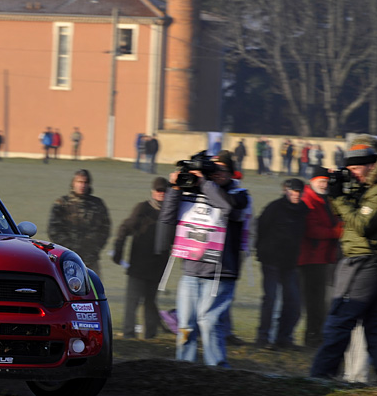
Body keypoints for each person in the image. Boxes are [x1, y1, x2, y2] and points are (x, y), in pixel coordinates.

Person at [160, 150, 251, 367]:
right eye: (214, 170)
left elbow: (227, 207)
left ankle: (217, 371)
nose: (217, 174)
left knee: (209, 322)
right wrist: (174, 188)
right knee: (186, 325)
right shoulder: (193, 190)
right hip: (191, 271)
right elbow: (167, 217)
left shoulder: (240, 194)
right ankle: (185, 368)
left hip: (221, 273)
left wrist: (205, 184)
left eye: (222, 170)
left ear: (231, 173)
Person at [310, 135, 377, 381]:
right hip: (368, 261)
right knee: (375, 326)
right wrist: (339, 192)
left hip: (363, 261)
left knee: (340, 318)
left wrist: (339, 198)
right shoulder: (369, 188)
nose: (352, 173)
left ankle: (320, 377)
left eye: (355, 168)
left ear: (371, 165)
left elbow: (362, 224)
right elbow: (348, 214)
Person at [113, 177, 170, 339]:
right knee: (132, 302)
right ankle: (129, 334)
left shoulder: (172, 212)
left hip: (159, 265)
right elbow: (125, 228)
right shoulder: (143, 208)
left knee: (151, 302)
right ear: (153, 192)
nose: (161, 194)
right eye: (159, 190)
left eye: (165, 191)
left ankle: (150, 335)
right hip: (138, 265)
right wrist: (119, 249)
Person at [254, 178, 307, 349]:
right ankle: (263, 338)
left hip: (290, 263)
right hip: (271, 260)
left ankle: (284, 338)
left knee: (293, 301)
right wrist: (261, 251)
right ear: (286, 190)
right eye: (294, 191)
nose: (297, 195)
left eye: (299, 192)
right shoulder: (274, 208)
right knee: (271, 299)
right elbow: (261, 227)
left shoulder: (303, 210)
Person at [299, 166, 343, 348]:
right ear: (312, 181)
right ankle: (312, 337)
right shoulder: (308, 200)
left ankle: (316, 335)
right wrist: (335, 232)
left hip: (323, 257)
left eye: (326, 181)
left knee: (320, 300)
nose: (324, 185)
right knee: (313, 302)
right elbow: (311, 229)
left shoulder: (324, 199)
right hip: (311, 259)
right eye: (321, 181)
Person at [47, 169, 111, 275]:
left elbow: (105, 229)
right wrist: (69, 250)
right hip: (67, 260)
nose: (82, 185)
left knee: (94, 289)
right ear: (73, 183)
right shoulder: (62, 204)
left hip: (91, 261)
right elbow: (54, 230)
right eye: (79, 182)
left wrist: (94, 249)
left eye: (85, 182)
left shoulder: (97, 204)